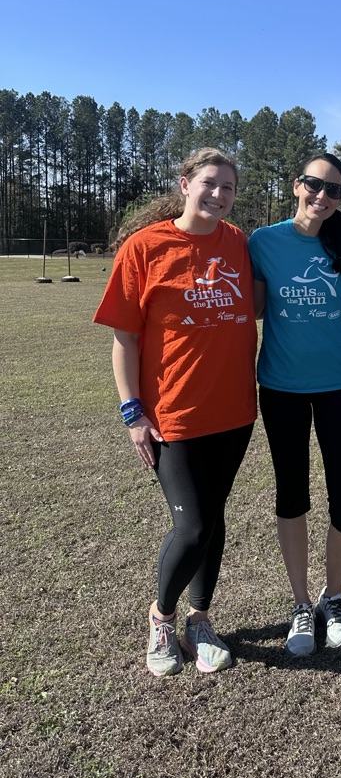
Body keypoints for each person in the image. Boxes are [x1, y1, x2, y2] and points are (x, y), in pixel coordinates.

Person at [93, 148, 257, 677]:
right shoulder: (145, 247)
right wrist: (131, 413)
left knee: (215, 519)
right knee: (194, 524)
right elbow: (124, 338)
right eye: (209, 183)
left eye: (228, 187)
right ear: (184, 184)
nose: (218, 194)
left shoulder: (237, 243)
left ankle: (199, 618)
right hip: (172, 416)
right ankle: (162, 617)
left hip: (234, 412)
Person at [249, 153, 341, 657]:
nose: (322, 196)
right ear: (297, 185)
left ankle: (332, 598)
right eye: (314, 185)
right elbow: (250, 308)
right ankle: (301, 604)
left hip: (340, 385)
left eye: (334, 190)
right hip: (281, 387)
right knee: (292, 494)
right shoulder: (263, 241)